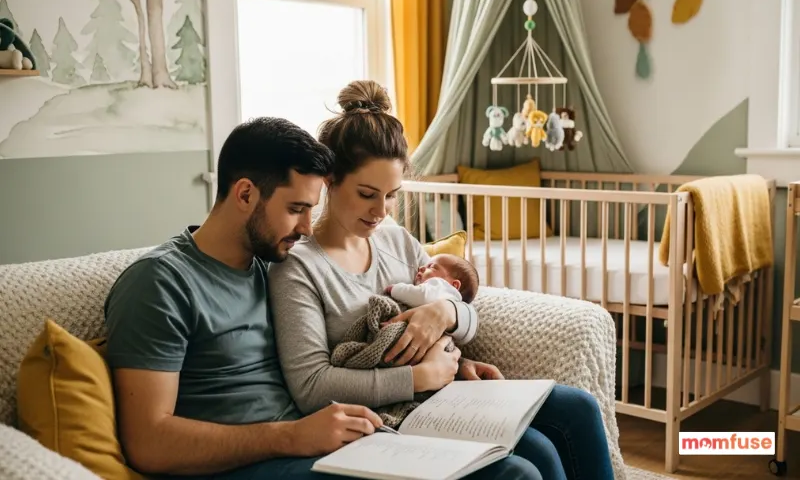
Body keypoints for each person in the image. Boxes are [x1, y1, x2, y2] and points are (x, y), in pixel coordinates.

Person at [102, 116, 538, 480]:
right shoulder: (159, 284)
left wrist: (449, 351)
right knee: (515, 475)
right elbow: (149, 444)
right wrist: (290, 436)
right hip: (255, 461)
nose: (308, 228)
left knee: (530, 450)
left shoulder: (267, 263)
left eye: (312, 209)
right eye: (296, 209)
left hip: (327, 438)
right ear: (245, 194)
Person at [267, 80, 616, 480]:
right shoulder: (299, 268)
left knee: (579, 408)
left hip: (443, 394)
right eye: (367, 194)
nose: (381, 210)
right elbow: (311, 388)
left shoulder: (395, 239)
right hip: (390, 414)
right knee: (532, 457)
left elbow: (468, 313)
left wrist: (444, 312)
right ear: (330, 179)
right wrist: (422, 377)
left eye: (392, 195)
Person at [385, 253, 479, 307]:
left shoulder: (442, 287)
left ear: (454, 285)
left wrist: (395, 289)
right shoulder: (453, 303)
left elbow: (421, 295)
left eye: (431, 266)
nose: (421, 267)